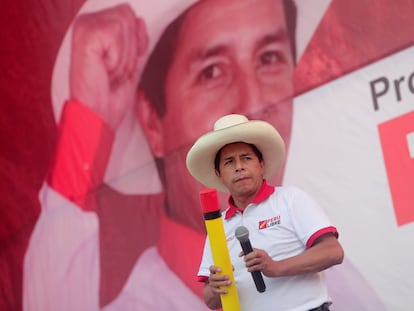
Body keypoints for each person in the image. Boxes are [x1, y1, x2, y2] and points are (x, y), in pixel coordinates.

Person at [185, 113, 344, 310]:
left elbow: (333, 251)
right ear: (219, 175)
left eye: (246, 158)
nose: (239, 167)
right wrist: (216, 288)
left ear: (261, 165)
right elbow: (210, 300)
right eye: (229, 162)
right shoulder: (219, 228)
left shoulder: (290, 199)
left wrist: (275, 267)